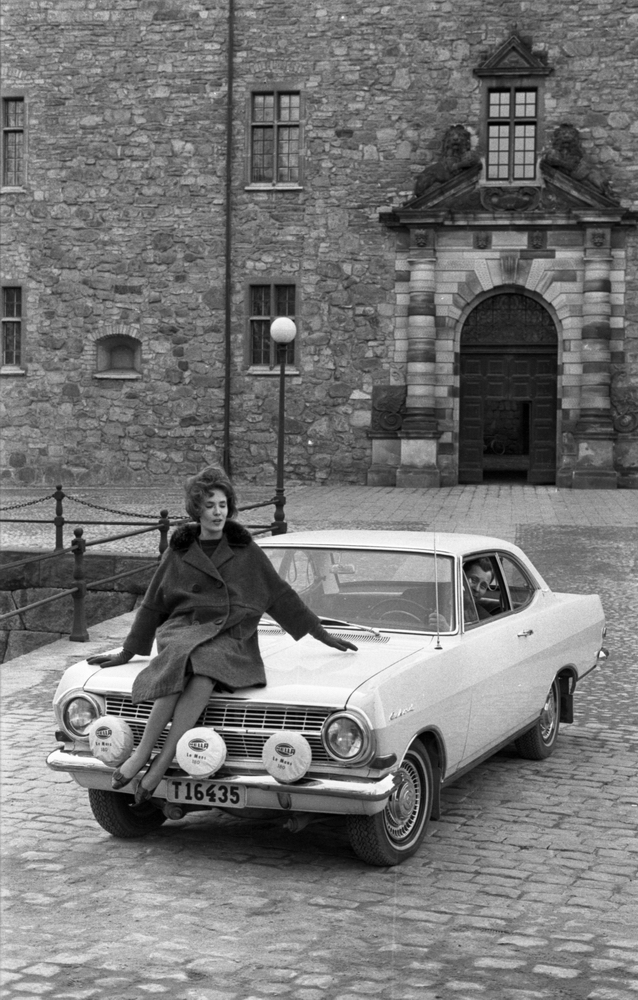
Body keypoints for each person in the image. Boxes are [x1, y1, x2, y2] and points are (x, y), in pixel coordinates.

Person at [87, 466, 357, 803]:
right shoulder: (179, 551)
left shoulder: (245, 549)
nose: (217, 512)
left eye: (223, 505)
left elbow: (280, 594)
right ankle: (142, 753)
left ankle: (163, 759)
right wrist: (127, 651)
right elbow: (154, 603)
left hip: (232, 632)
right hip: (184, 627)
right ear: (197, 510)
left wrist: (320, 632)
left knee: (204, 667)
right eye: (210, 505)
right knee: (180, 659)